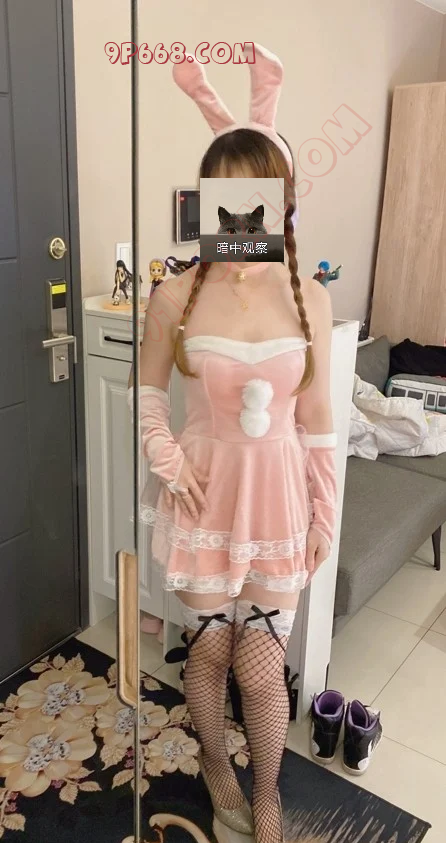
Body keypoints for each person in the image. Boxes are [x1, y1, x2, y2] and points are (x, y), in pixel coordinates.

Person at [129, 43, 337, 843]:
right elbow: (150, 394)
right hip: (204, 495)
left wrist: (324, 512)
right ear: (209, 201)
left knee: (260, 662)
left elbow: (319, 421)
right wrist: (165, 457)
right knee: (211, 653)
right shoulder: (175, 293)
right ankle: (219, 769)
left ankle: (269, 789)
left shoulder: (307, 295)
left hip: (278, 497)